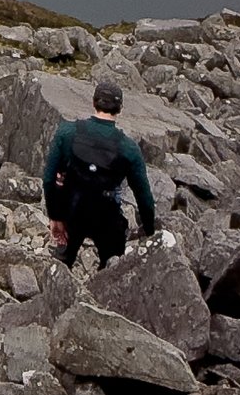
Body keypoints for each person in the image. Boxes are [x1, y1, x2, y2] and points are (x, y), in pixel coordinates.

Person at [42, 76, 155, 269]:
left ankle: (54, 289)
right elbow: (144, 196)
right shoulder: (129, 148)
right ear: (119, 109)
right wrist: (150, 231)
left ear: (94, 102)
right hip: (107, 217)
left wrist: (55, 217)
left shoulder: (67, 132)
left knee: (60, 267)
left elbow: (47, 179)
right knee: (112, 271)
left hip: (71, 211)